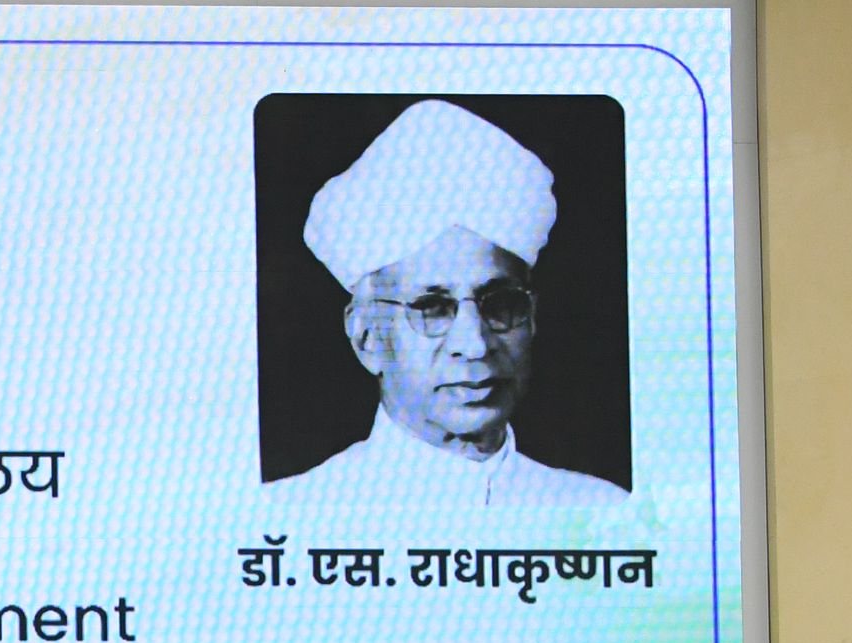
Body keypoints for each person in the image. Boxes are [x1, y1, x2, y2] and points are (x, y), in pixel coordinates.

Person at [264, 98, 631, 512]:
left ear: (531, 319)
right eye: (432, 308)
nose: (475, 344)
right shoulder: (292, 515)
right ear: (367, 338)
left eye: (500, 304)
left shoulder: (604, 513)